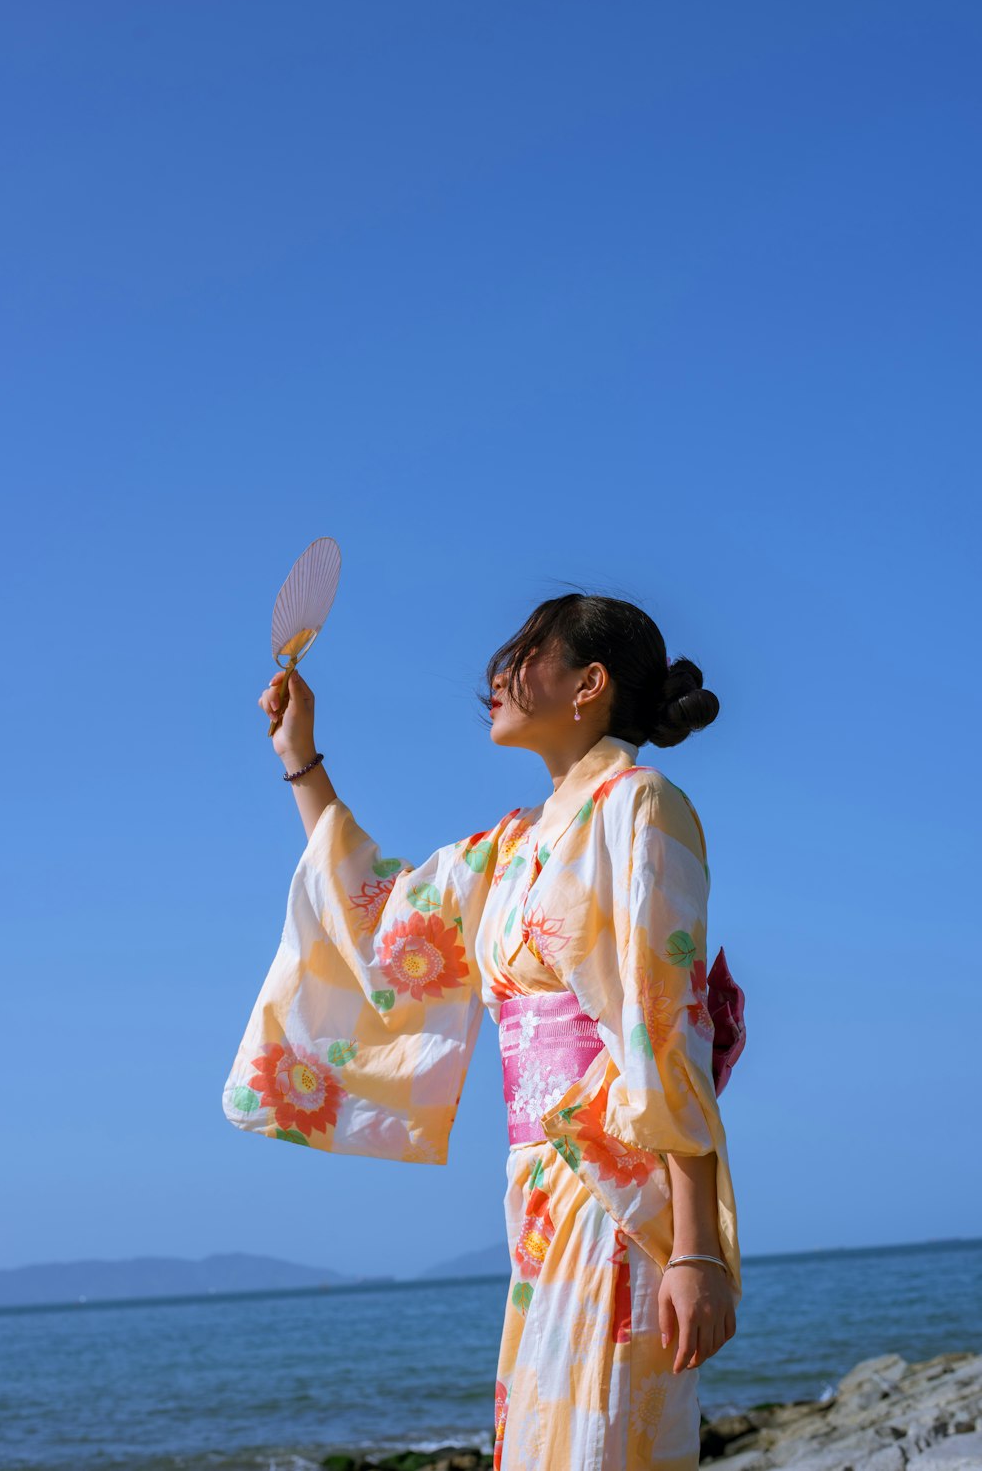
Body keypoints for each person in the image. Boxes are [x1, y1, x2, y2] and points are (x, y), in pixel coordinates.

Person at [223, 592, 742, 1471]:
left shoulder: (639, 805)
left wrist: (697, 1253)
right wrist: (300, 758)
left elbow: (667, 1025)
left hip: (614, 1179)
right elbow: (381, 922)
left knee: (599, 1443)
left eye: (525, 655)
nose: (496, 676)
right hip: (537, 1185)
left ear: (590, 684)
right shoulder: (508, 848)